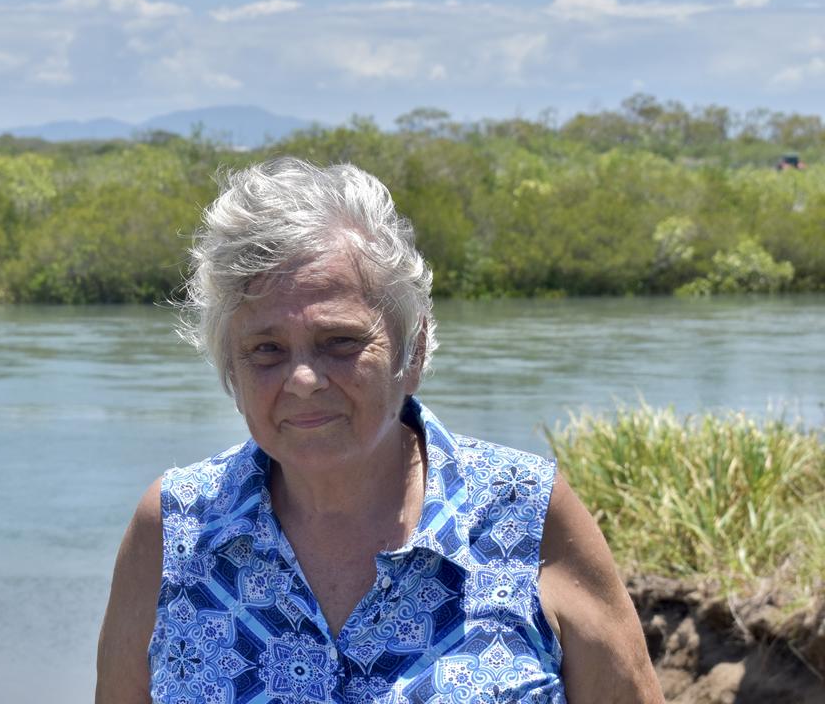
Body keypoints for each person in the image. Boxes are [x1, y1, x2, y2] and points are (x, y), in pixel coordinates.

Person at [96, 158, 662, 703]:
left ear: (411, 351)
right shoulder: (174, 527)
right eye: (265, 350)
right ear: (230, 370)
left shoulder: (523, 512)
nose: (302, 379)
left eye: (339, 341)